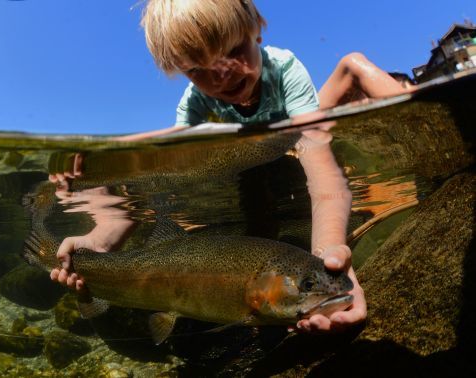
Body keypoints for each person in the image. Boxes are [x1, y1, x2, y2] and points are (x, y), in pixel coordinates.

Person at [51, 0, 411, 334]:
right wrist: (107, 167)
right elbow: (165, 158)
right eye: (196, 69)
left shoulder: (285, 69)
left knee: (316, 128)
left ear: (257, 27)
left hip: (292, 139)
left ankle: (389, 90)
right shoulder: (195, 101)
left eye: (234, 51)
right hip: (244, 161)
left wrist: (328, 253)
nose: (221, 75)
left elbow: (320, 169)